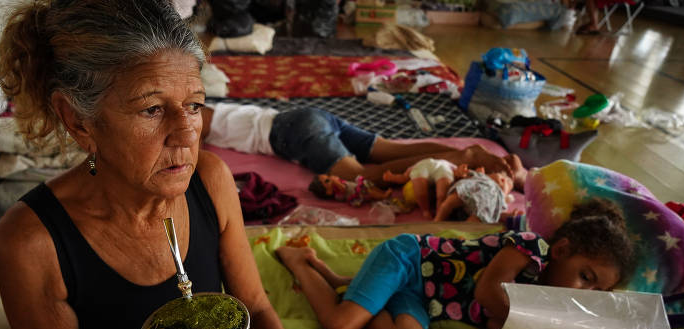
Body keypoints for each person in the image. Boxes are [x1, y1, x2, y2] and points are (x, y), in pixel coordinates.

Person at [0, 1, 385, 329]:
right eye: (152, 110)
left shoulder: (211, 182)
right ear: (77, 119)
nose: (184, 133)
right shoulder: (33, 238)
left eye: (194, 105)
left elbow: (256, 307)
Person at [276, 199, 634, 329]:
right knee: (341, 325)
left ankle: (340, 281)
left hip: (422, 297)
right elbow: (487, 292)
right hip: (409, 260)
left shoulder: (540, 300)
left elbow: (498, 325)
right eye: (586, 277)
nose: (586, 294)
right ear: (561, 250)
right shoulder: (531, 248)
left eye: (598, 292)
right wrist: (545, 327)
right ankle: (300, 262)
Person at [200, 102, 525, 185]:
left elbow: (196, 127)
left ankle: (461, 156)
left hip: (294, 131)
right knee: (385, 150)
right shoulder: (199, 107)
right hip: (310, 117)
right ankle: (459, 153)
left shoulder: (195, 114)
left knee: (358, 176)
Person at [432, 167, 514, 223]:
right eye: (502, 177)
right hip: (468, 190)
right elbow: (464, 174)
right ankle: (437, 220)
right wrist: (462, 172)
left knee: (479, 218)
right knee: (450, 202)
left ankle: (461, 234)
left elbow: (497, 214)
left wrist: (509, 216)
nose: (504, 180)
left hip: (481, 204)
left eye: (508, 187)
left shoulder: (498, 197)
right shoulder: (480, 176)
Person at [308, 174, 392, 206]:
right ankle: (382, 197)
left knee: (369, 185)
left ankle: (382, 192)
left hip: (357, 187)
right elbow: (343, 188)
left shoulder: (335, 184)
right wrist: (335, 181)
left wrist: (335, 180)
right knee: (369, 192)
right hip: (358, 194)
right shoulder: (338, 195)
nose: (330, 178)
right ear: (328, 192)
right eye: (327, 180)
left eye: (328, 176)